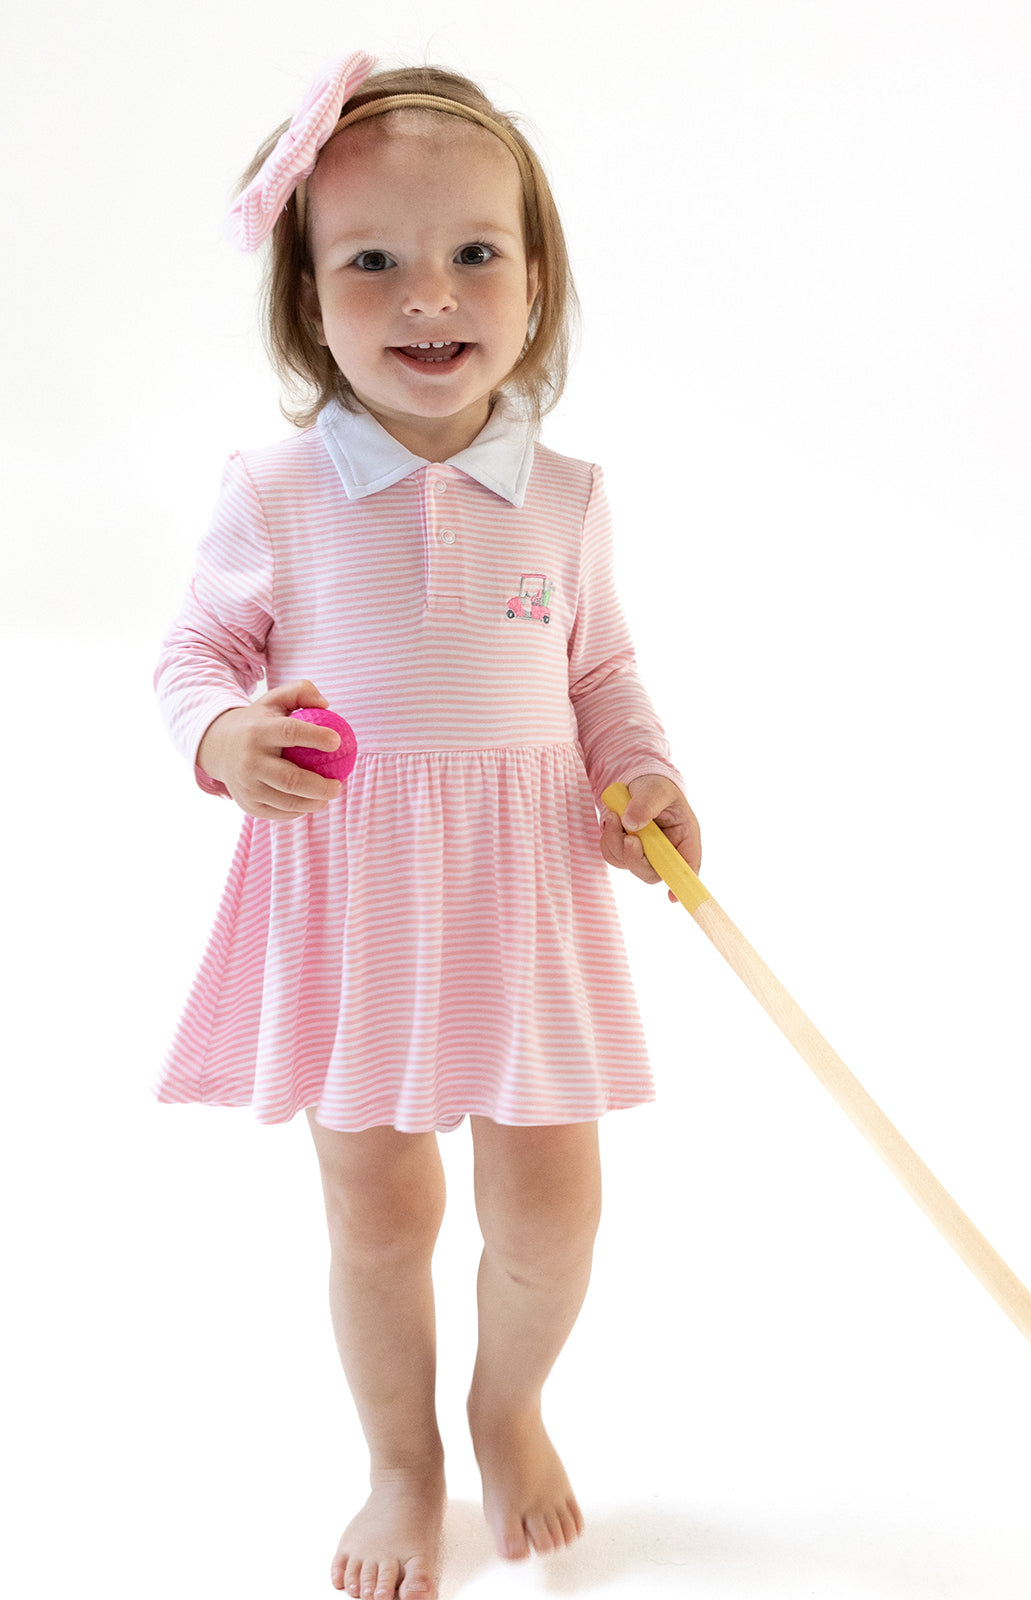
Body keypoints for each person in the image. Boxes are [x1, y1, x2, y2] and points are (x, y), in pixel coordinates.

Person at [154, 49, 701, 1600]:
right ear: (307, 300)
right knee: (378, 1212)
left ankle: (506, 1403)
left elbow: (601, 670)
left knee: (550, 1217)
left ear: (534, 283)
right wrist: (224, 735)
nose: (427, 296)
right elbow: (193, 653)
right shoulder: (279, 494)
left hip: (526, 897)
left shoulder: (567, 499)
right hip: (359, 900)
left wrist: (642, 776)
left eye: (474, 253)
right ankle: (403, 1458)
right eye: (372, 261)